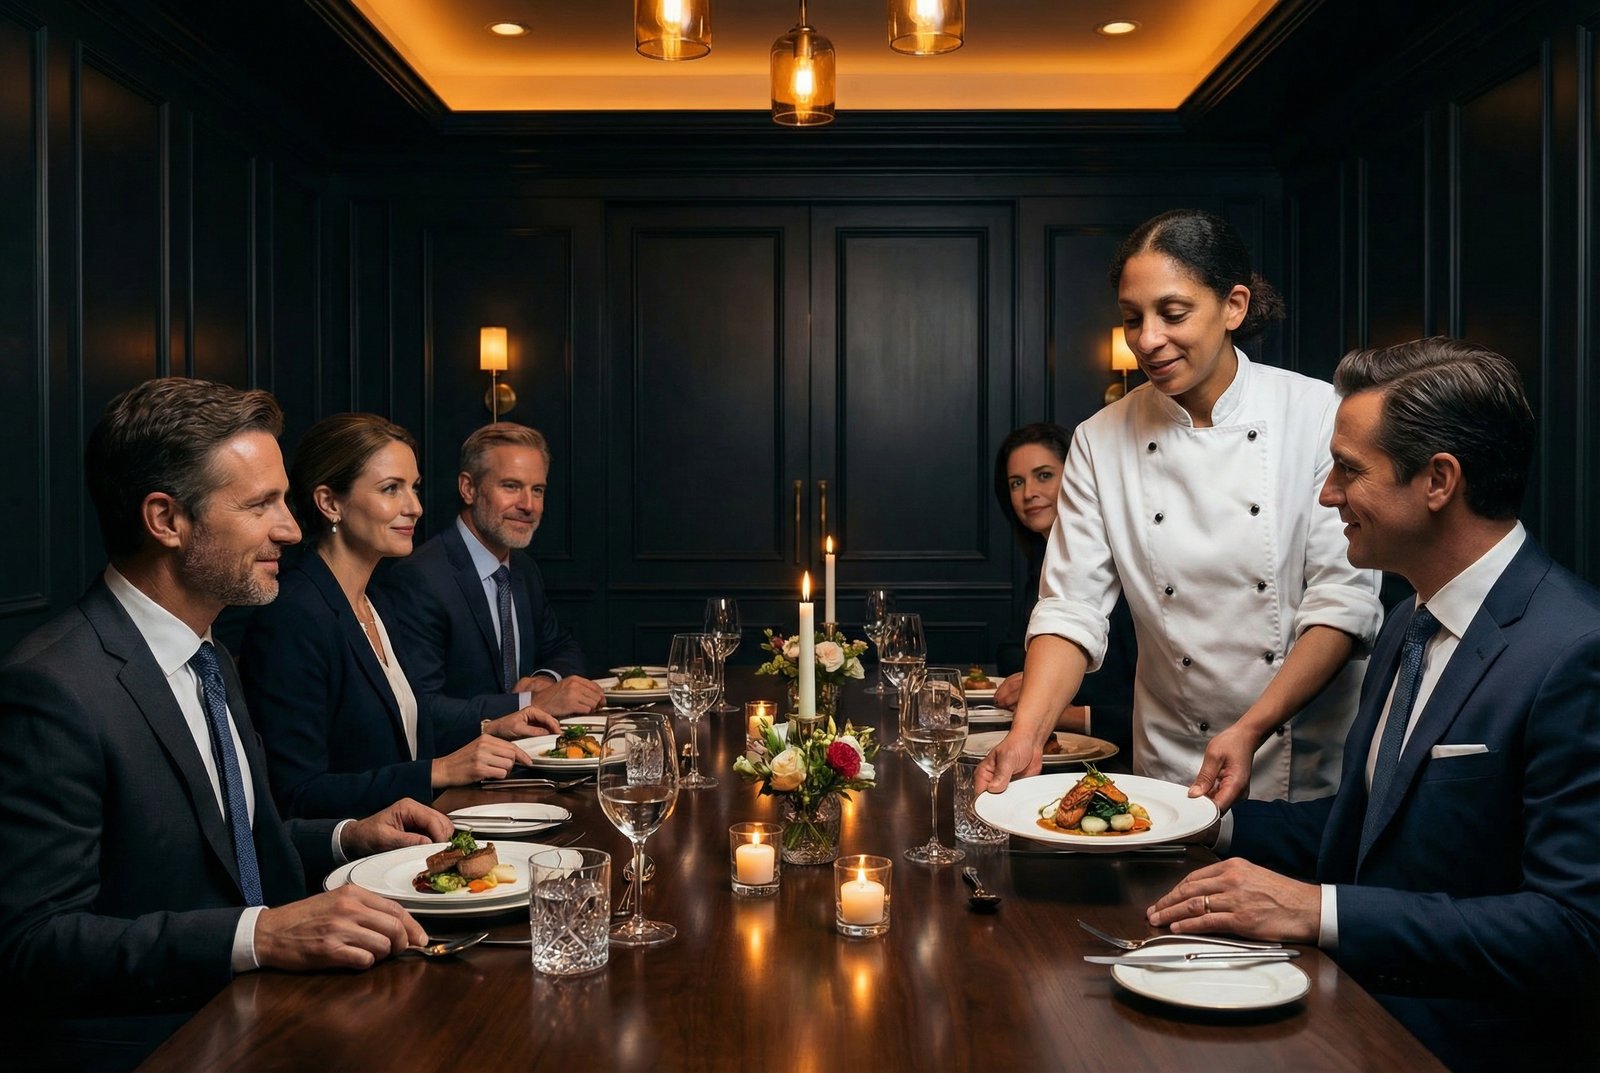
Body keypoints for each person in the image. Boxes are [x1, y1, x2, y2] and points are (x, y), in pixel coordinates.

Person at [1146, 337, 1600, 1072]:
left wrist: (1316, 910)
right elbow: (1367, 831)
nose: (1327, 493)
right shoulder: (1407, 622)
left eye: (1349, 470)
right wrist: (1197, 821)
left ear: (1438, 480)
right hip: (1352, 1016)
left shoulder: (1574, 650)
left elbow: (1573, 930)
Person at [0, 379, 455, 1071]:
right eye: (260, 504)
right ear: (166, 519)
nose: (292, 527)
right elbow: (33, 942)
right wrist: (258, 935)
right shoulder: (55, 686)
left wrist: (346, 832)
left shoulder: (208, 653)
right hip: (157, 1043)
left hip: (261, 1015)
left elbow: (229, 842)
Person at [977, 209, 1383, 808]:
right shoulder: (1099, 438)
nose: (1146, 339)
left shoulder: (1318, 414)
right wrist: (1026, 736)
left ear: (1234, 307)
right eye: (1132, 318)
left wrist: (1248, 729)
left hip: (1303, 767)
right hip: (1170, 766)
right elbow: (1071, 609)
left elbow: (1341, 604)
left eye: (1173, 314)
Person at [239, 414, 561, 820]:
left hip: (415, 838)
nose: (415, 507)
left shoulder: (374, 598)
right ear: (329, 503)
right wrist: (438, 770)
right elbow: (296, 795)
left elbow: (404, 728)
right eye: (392, 489)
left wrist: (490, 727)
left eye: (414, 488)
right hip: (351, 870)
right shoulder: (294, 614)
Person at [376, 422, 602, 723]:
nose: (528, 505)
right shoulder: (419, 578)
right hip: (462, 763)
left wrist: (547, 679)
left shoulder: (523, 568)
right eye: (511, 486)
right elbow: (423, 709)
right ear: (468, 488)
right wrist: (530, 702)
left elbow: (563, 647)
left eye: (538, 490)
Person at [990, 423, 1137, 745]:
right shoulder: (1039, 562)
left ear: (1076, 479)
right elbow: (1012, 654)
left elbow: (1142, 705)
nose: (1029, 492)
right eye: (1017, 482)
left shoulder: (1118, 572)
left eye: (1044, 475)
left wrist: (1065, 712)